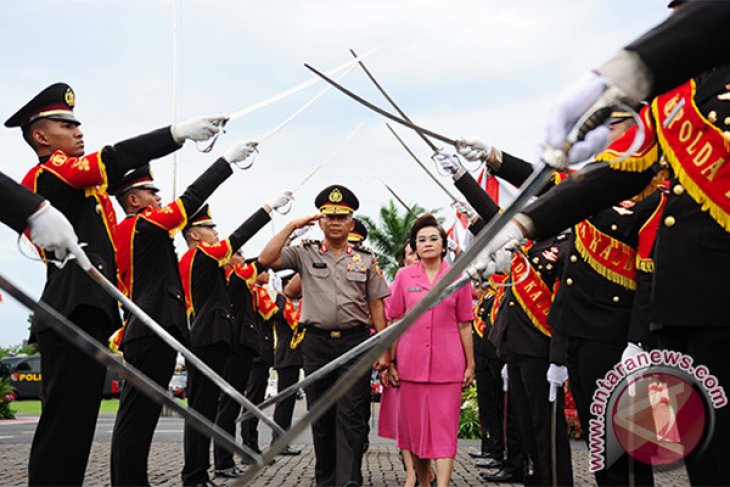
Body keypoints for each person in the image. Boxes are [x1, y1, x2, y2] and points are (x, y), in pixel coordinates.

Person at [5, 81, 224, 486]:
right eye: (66, 125)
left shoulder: (86, 191)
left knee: (76, 435)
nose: (78, 131)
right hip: (70, 309)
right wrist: (174, 135)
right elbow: (112, 159)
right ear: (39, 136)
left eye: (78, 125)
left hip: (91, 313)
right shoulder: (46, 175)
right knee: (62, 433)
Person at [108, 140, 256, 486]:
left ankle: (133, 480)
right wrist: (224, 163)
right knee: (135, 416)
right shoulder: (137, 226)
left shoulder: (145, 230)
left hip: (158, 329)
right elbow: (188, 203)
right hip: (149, 329)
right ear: (133, 200)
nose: (158, 197)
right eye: (150, 191)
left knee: (142, 418)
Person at [259, 184, 390, 487]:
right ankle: (326, 481)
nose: (335, 222)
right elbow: (267, 260)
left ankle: (349, 481)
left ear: (351, 222)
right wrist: (292, 226)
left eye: (341, 216)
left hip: (355, 342)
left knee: (353, 416)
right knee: (322, 417)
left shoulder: (365, 259)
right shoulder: (304, 254)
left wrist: (384, 349)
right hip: (316, 345)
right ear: (319, 220)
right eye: (329, 216)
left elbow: (376, 307)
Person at [179, 198, 290, 487]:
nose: (215, 232)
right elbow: (237, 240)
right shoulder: (198, 257)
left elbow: (252, 267)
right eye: (208, 227)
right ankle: (194, 476)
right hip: (205, 339)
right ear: (194, 234)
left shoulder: (208, 262)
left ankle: (199, 474)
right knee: (201, 411)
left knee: (204, 410)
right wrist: (267, 210)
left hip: (213, 340)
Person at [386, 214, 475, 487]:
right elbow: (394, 322)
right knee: (416, 434)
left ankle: (443, 485)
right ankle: (424, 481)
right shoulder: (403, 276)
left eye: (433, 238)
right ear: (414, 245)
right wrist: (390, 362)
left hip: (447, 367)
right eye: (421, 240)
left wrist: (470, 364)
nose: (427, 244)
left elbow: (464, 325)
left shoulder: (459, 276)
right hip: (410, 365)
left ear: (443, 245)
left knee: (444, 432)